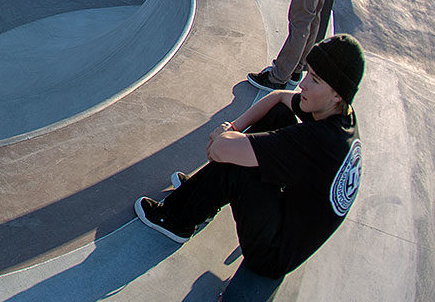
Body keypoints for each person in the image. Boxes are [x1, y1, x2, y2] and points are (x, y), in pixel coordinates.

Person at [135, 34, 364, 280]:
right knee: (277, 116)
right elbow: (278, 97)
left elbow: (222, 150)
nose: (303, 84)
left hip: (272, 254)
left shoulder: (318, 140)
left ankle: (176, 219)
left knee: (238, 166)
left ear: (337, 94)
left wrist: (223, 139)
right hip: (290, 218)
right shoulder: (340, 115)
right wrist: (233, 127)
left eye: (315, 80)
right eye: (307, 73)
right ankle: (202, 193)